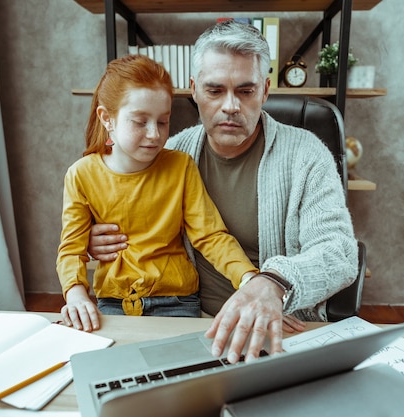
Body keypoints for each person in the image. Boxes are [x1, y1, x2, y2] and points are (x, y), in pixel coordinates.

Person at [86, 20, 358, 364]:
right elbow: (127, 214)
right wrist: (99, 239)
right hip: (187, 322)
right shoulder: (170, 154)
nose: (230, 106)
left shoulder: (306, 153)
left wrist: (274, 285)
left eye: (245, 91)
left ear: (265, 90)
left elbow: (340, 254)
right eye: (215, 91)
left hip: (280, 326)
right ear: (194, 90)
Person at [57, 55, 258, 326]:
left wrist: (247, 277)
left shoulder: (180, 166)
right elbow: (71, 250)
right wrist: (76, 294)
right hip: (114, 301)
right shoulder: (81, 175)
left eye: (162, 121)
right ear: (107, 119)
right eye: (140, 122)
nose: (154, 134)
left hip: (178, 301)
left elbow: (210, 236)